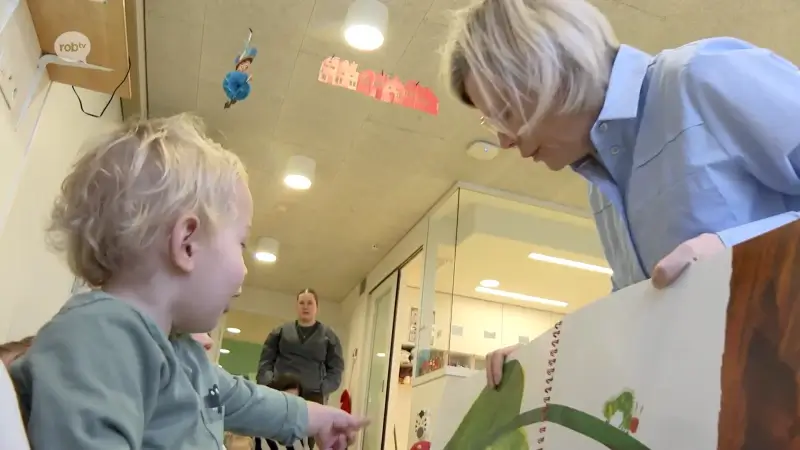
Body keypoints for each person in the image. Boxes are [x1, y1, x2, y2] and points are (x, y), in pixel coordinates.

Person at [440, 0, 800, 386]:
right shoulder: (601, 185)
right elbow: (639, 316)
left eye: (506, 111)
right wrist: (545, 362)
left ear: (551, 70)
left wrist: (738, 255)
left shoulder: (702, 76)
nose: (504, 140)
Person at [8, 114, 366, 449]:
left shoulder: (183, 354)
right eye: (241, 243)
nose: (244, 270)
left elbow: (246, 400)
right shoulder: (99, 338)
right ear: (187, 244)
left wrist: (319, 418)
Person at [257, 289, 345, 406]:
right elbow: (265, 361)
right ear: (296, 306)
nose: (305, 307)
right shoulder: (280, 331)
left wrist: (323, 388)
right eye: (302, 303)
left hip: (313, 395)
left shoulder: (328, 336)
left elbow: (336, 368)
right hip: (281, 394)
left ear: (316, 307)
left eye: (310, 303)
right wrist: (269, 383)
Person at [255, 374, 312, 450]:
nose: (290, 405)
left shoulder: (300, 426)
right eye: (285, 399)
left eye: (294, 400)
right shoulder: (260, 429)